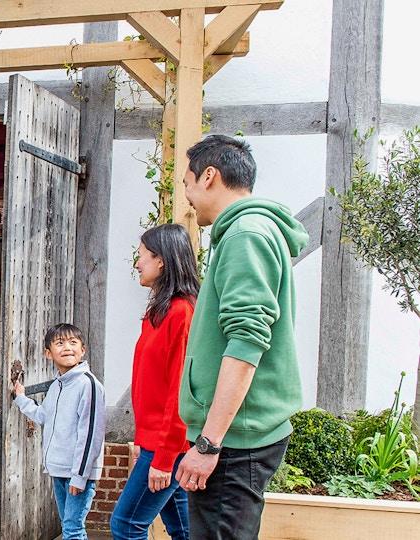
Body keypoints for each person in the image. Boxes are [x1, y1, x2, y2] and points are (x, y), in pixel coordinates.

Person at [174, 135, 308, 539]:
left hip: (233, 443)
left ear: (209, 176)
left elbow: (247, 343)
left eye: (187, 183)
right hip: (235, 436)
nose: (188, 196)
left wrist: (209, 444)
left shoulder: (244, 235)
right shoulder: (246, 231)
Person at [111, 224, 199, 540]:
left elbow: (180, 393)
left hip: (169, 446)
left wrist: (161, 456)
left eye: (142, 256)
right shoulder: (159, 311)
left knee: (126, 525)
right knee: (183, 531)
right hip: (157, 442)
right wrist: (142, 440)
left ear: (161, 261)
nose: (137, 263)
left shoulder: (182, 312)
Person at [12, 323, 106, 540]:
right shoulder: (57, 386)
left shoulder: (88, 385)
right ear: (48, 353)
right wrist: (21, 398)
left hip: (77, 473)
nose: (67, 348)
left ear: (82, 350)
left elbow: (91, 435)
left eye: (74, 343)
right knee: (68, 527)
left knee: (73, 530)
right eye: (60, 343)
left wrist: (80, 476)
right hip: (59, 470)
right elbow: (43, 416)